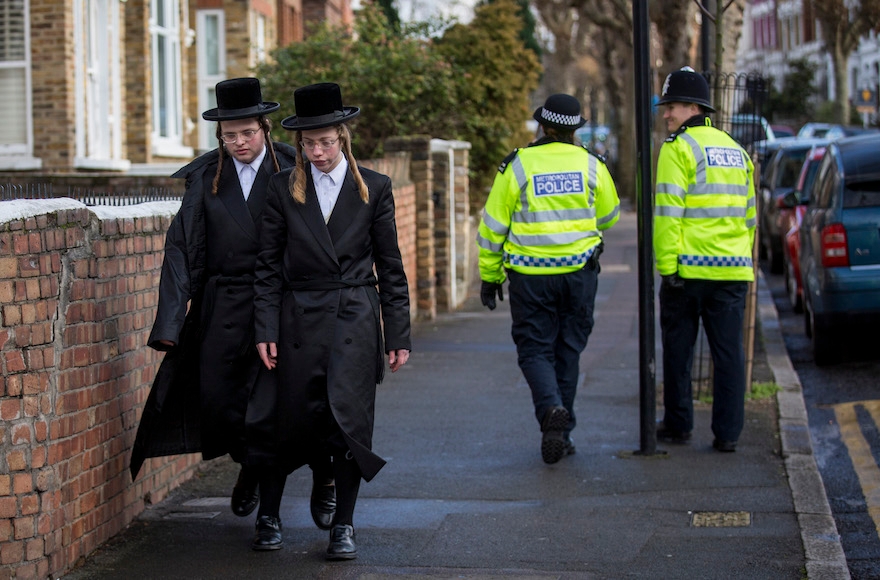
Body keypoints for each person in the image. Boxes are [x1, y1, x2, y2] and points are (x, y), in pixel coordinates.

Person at [129, 77, 336, 551]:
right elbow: (180, 247)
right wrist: (168, 324)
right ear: (220, 136)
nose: (240, 143)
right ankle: (247, 466)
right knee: (222, 407)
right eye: (230, 135)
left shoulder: (293, 167)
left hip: (279, 307)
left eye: (247, 132)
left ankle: (285, 500)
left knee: (277, 408)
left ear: (264, 127)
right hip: (221, 308)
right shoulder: (206, 177)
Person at [254, 82, 412, 561]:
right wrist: (264, 329)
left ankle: (343, 525)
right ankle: (269, 514)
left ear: (342, 138)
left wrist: (398, 332)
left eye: (326, 142)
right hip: (296, 320)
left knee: (350, 424)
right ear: (299, 144)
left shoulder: (376, 187)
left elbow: (391, 264)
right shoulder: (281, 189)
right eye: (309, 143)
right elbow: (266, 266)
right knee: (282, 421)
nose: (318, 152)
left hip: (354, 319)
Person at [476, 93, 620, 464]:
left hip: (530, 276)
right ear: (575, 129)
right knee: (568, 351)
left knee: (535, 349)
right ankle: (564, 431)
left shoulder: (519, 166)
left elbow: (493, 227)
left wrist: (490, 277)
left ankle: (550, 409)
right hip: (579, 274)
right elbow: (610, 216)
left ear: (543, 125)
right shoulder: (592, 165)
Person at [653, 66, 756, 453]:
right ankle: (728, 434)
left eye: (672, 107)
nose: (666, 115)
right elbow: (750, 216)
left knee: (679, 352)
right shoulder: (736, 150)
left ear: (693, 107)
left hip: (688, 270)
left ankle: (679, 424)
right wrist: (740, 258)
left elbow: (667, 214)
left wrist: (667, 268)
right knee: (728, 355)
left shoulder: (678, 149)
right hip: (732, 269)